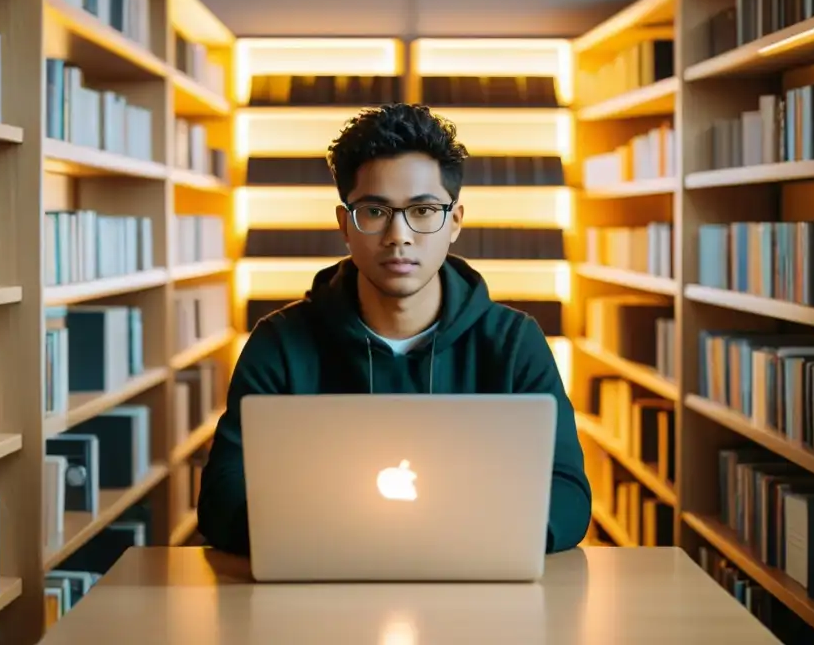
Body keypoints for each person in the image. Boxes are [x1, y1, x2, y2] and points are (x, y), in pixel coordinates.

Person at [197, 102, 592, 555]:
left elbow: (568, 495)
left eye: (423, 211)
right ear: (346, 224)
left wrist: (468, 543)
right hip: (321, 582)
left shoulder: (514, 342)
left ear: (455, 221)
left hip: (476, 580)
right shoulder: (280, 343)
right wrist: (336, 543)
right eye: (375, 211)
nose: (398, 235)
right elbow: (222, 497)